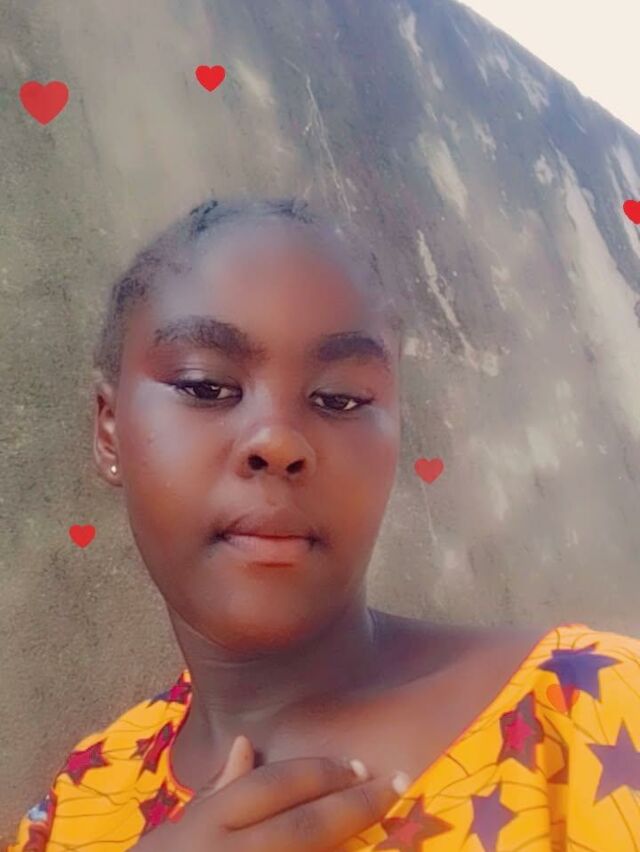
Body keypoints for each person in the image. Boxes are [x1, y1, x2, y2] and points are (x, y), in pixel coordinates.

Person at [7, 197, 640, 852]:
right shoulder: (79, 807)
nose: (278, 441)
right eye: (205, 387)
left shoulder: (591, 716)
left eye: (339, 399)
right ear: (109, 431)